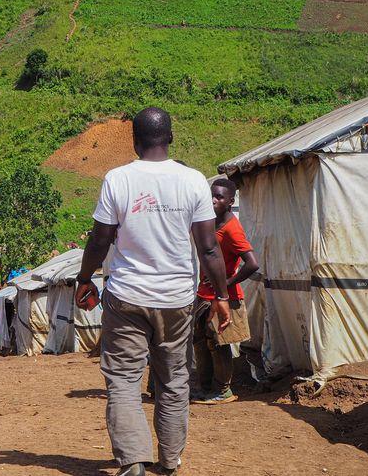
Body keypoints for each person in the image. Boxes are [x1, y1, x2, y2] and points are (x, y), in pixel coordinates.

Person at [75, 107, 230, 476]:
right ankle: (170, 459)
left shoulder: (118, 179)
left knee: (124, 380)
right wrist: (222, 297)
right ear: (171, 138)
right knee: (174, 380)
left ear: (135, 141)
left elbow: (100, 239)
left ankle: (132, 461)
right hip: (177, 299)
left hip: (126, 296)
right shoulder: (193, 181)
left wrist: (84, 279)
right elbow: (209, 248)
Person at [192, 178, 258, 405]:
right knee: (201, 341)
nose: (213, 200)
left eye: (219, 197)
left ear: (230, 202)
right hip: (204, 293)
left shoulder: (231, 228)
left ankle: (223, 390)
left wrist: (227, 282)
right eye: (212, 195)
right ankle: (205, 387)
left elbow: (252, 263)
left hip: (223, 296)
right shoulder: (210, 222)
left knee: (219, 343)